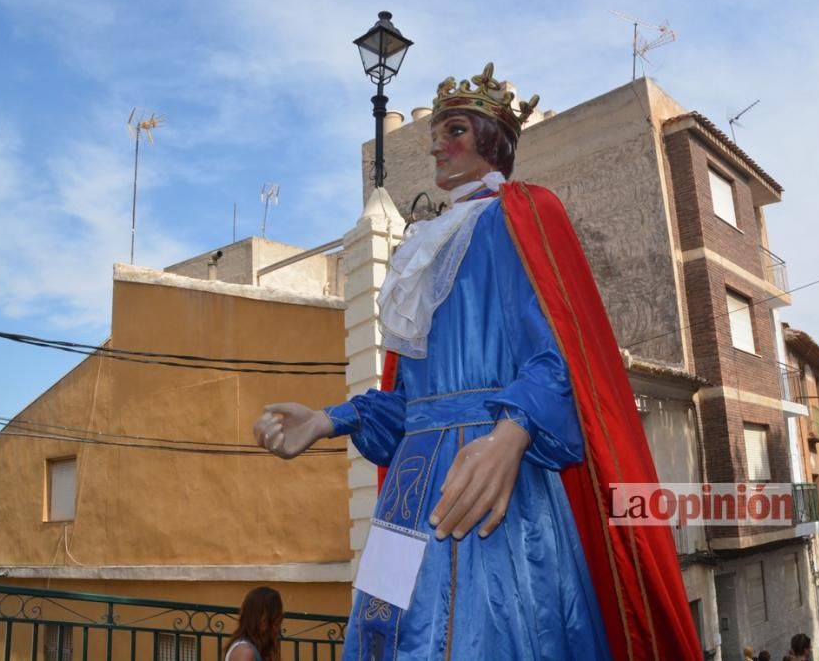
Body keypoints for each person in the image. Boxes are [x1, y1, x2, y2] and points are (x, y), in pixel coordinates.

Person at [254, 63, 700, 660]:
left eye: (455, 129)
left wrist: (511, 434)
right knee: (386, 632)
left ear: (494, 140)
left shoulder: (521, 216)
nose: (438, 142)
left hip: (486, 470)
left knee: (487, 634)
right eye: (436, 131)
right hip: (410, 488)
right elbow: (408, 398)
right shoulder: (422, 246)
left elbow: (556, 359)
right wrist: (328, 419)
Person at [223, 587, 283, 661]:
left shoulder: (254, 648)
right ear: (264, 619)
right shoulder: (245, 651)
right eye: (277, 618)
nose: (278, 626)